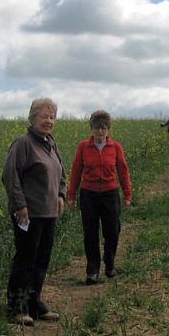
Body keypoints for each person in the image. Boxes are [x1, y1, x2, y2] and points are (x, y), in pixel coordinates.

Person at [2, 97, 66, 326]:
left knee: (42, 259)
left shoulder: (51, 143)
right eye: (44, 116)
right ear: (33, 118)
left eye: (52, 117)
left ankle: (34, 303)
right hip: (28, 214)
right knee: (25, 259)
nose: (49, 121)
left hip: (48, 213)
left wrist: (61, 195)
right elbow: (10, 176)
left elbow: (60, 175)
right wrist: (20, 206)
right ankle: (16, 307)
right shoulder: (23, 143)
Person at [67, 110, 132, 285]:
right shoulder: (83, 147)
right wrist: (71, 195)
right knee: (90, 233)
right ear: (91, 129)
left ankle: (109, 264)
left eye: (103, 128)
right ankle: (92, 270)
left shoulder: (115, 147)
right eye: (97, 128)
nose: (100, 132)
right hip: (88, 195)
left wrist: (127, 195)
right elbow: (75, 171)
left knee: (112, 231)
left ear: (108, 129)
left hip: (110, 194)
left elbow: (123, 171)